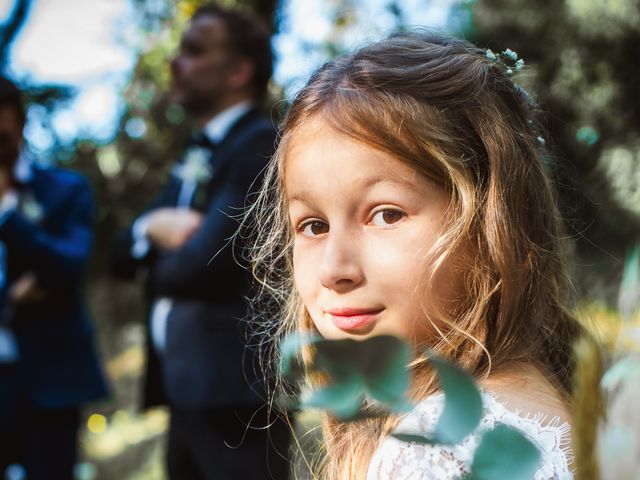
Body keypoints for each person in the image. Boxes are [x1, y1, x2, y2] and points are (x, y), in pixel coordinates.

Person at [245, 31, 584, 479]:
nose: (333, 270)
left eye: (385, 215)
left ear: (495, 225)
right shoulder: (560, 404)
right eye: (314, 226)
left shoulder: (433, 451)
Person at [111, 4, 290, 479]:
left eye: (194, 51)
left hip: (237, 395)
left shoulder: (259, 143)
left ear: (239, 71)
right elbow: (116, 256)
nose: (176, 62)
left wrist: (160, 255)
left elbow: (206, 263)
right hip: (186, 389)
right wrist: (147, 230)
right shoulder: (194, 153)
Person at [0, 76, 110, 479]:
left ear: (21, 123)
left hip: (50, 382)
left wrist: (8, 214)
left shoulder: (64, 190)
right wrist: (10, 297)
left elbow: (68, 266)